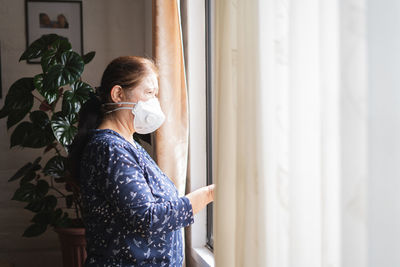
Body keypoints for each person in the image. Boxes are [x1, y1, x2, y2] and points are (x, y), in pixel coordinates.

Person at [68, 56, 215, 266]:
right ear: (118, 94)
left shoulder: (127, 143)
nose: (154, 102)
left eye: (155, 95)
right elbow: (148, 218)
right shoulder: (110, 148)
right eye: (148, 93)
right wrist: (209, 193)